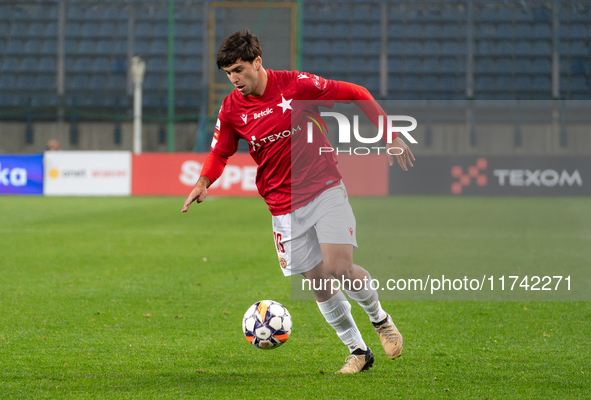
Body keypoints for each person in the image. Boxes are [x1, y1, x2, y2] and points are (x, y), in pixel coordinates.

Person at [182, 29, 415, 374]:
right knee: (319, 283)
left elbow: (357, 93)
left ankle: (380, 320)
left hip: (324, 189)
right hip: (282, 206)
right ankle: (359, 351)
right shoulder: (232, 108)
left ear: (257, 62)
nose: (234, 79)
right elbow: (221, 150)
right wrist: (203, 181)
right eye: (228, 73)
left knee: (338, 267)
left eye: (239, 70)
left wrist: (390, 135)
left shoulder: (296, 85)